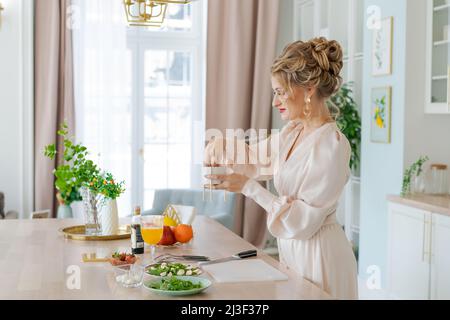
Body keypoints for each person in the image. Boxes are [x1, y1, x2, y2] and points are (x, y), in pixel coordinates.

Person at [204, 37, 358, 299]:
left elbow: (301, 221)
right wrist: (221, 144)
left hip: (319, 256)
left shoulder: (331, 146)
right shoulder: (293, 132)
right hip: (294, 254)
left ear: (309, 89)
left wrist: (250, 188)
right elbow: (255, 159)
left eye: (280, 91)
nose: (275, 102)